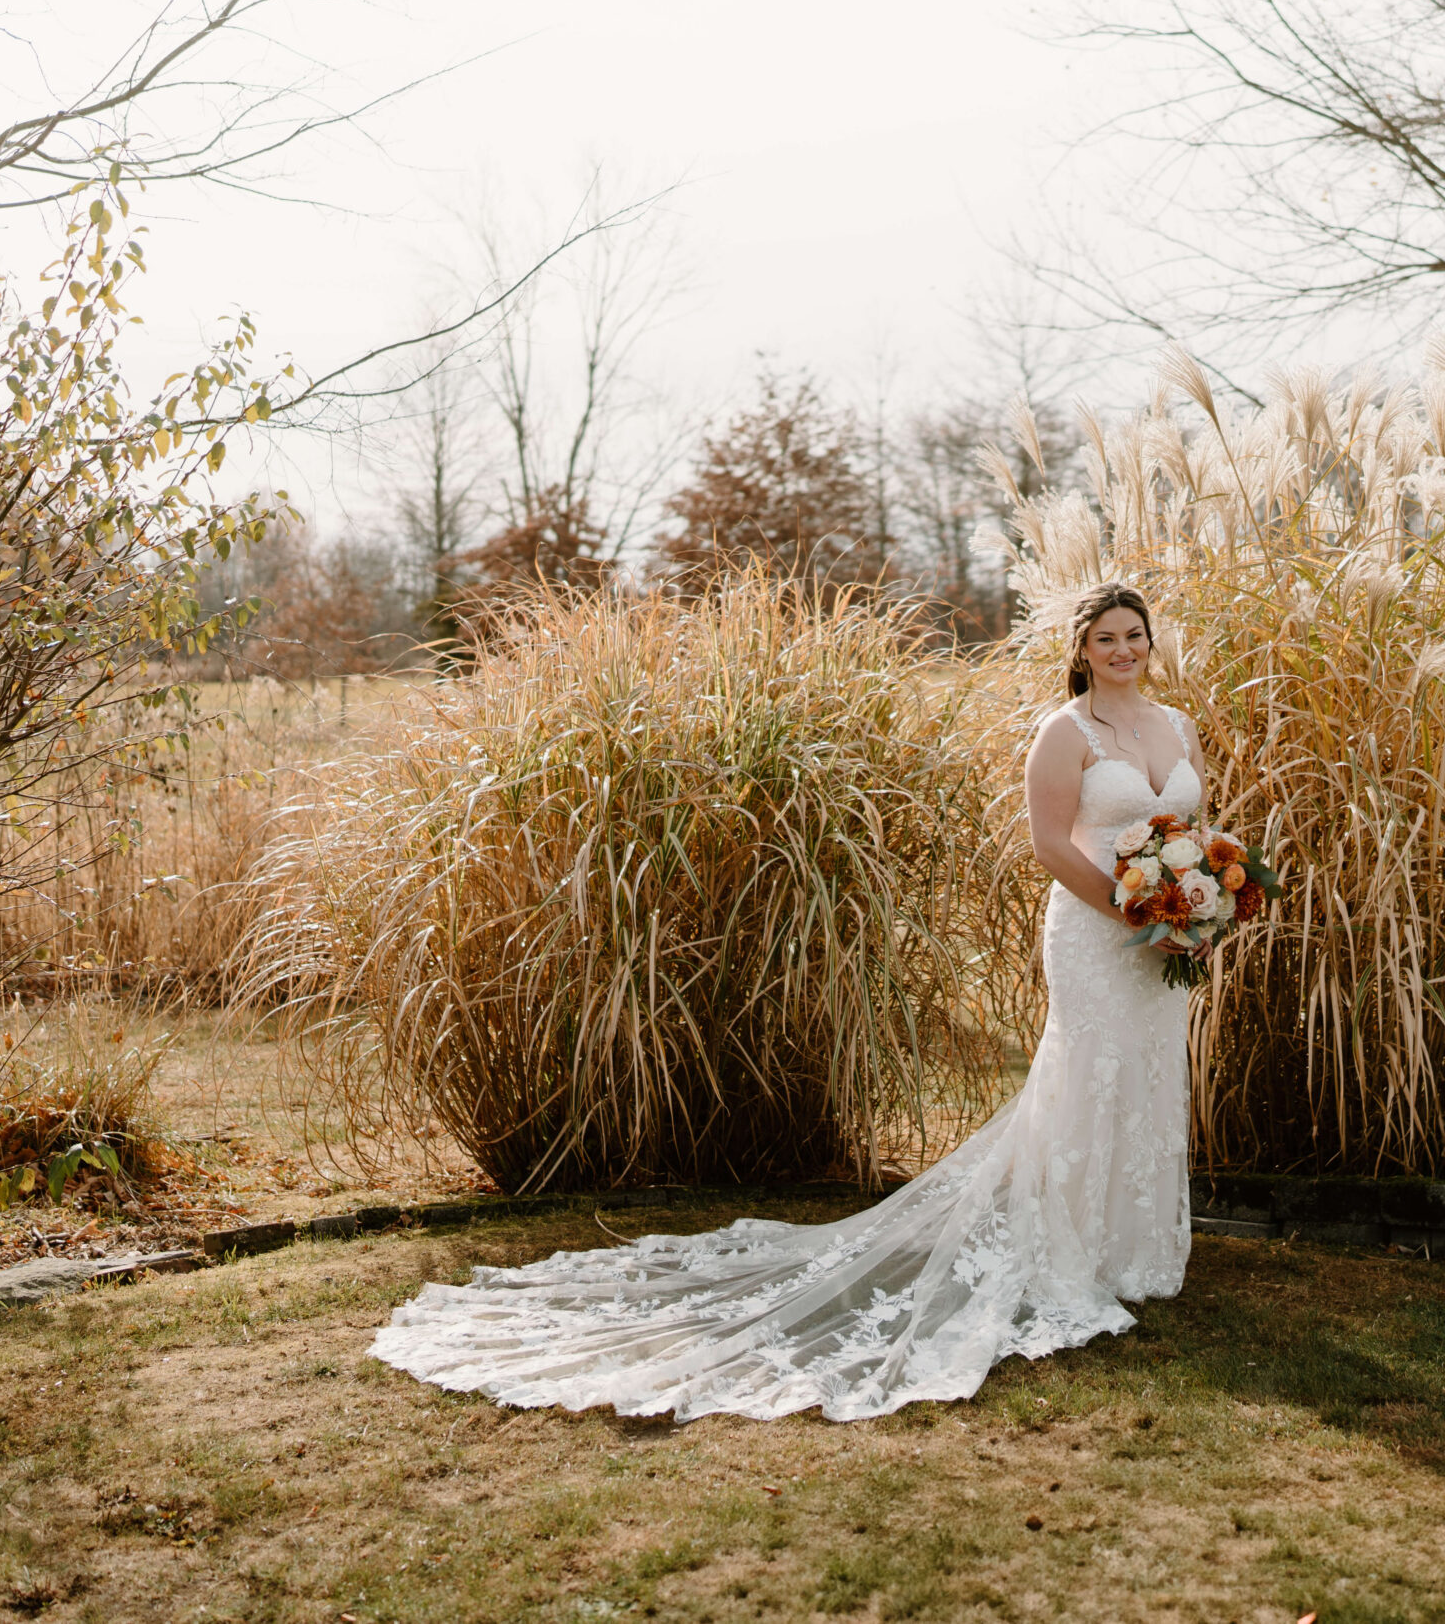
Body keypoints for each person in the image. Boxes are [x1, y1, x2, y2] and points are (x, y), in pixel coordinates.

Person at [364, 581, 1207, 1422]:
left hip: (1162, 944)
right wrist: (1139, 910)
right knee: (1088, 1073)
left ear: (1149, 640)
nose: (1123, 649)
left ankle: (1137, 1252)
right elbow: (1050, 843)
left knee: (1149, 1070)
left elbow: (1195, 834)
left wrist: (1194, 908)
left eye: (1135, 634)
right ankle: (1075, 1252)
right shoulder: (1065, 732)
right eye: (1106, 637)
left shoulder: (1176, 728)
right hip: (1100, 934)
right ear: (1081, 648)